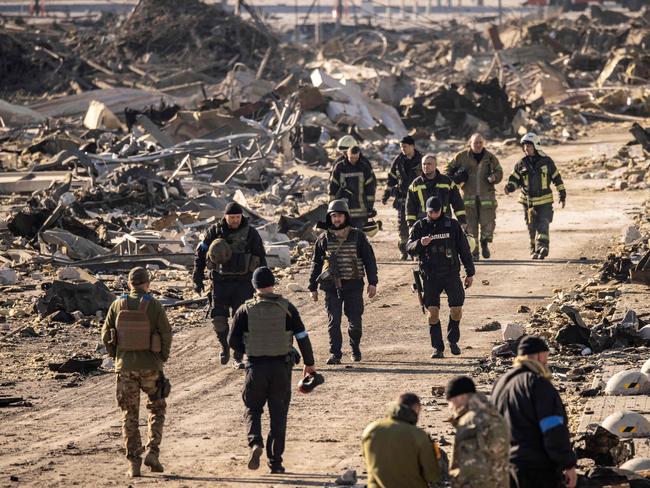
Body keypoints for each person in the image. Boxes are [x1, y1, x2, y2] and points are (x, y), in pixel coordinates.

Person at [229, 267, 317, 474]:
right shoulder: (287, 308)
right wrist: (309, 363)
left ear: (254, 286)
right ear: (273, 284)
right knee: (278, 415)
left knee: (252, 409)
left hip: (255, 368)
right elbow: (302, 336)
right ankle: (275, 462)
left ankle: (255, 442)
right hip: (281, 369)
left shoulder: (245, 309)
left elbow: (232, 340)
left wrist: (246, 351)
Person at [101, 267, 172, 478]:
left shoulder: (117, 304)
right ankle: (153, 452)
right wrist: (162, 358)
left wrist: (117, 356)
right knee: (157, 408)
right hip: (151, 367)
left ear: (130, 284)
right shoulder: (154, 305)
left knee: (129, 415)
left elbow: (106, 335)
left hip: (125, 369)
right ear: (147, 284)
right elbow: (166, 333)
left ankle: (134, 463)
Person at [491, 336, 577, 488]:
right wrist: (567, 464)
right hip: (536, 469)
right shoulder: (537, 383)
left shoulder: (501, 384)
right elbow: (552, 427)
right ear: (539, 355)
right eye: (546, 355)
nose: (547, 361)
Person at [192, 201, 267, 369]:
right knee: (218, 319)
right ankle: (224, 346)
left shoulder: (251, 233)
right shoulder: (214, 231)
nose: (235, 220)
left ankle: (238, 356)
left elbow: (260, 257)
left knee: (240, 321)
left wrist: (263, 282)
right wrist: (197, 277)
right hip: (220, 282)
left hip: (243, 283)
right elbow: (201, 253)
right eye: (232, 217)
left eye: (238, 217)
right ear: (225, 217)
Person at [308, 199, 378, 364]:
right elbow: (316, 263)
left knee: (355, 322)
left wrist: (373, 282)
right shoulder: (323, 239)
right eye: (333, 216)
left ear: (345, 216)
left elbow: (369, 260)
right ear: (329, 218)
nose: (336, 219)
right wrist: (312, 287)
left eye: (339, 216)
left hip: (353, 285)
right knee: (334, 321)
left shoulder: (357, 236)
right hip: (331, 287)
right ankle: (336, 354)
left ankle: (355, 348)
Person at [406, 196, 475, 358]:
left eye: (437, 211)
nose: (434, 214)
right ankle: (438, 348)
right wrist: (419, 244)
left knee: (456, 309)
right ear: (427, 211)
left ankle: (453, 340)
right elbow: (409, 247)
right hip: (430, 276)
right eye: (431, 212)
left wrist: (470, 272)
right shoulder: (420, 226)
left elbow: (464, 250)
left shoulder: (452, 225)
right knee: (433, 313)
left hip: (451, 273)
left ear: (442, 210)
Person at [504, 133, 566, 260]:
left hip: (544, 200)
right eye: (524, 146)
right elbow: (514, 179)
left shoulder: (547, 162)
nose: (526, 149)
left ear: (536, 146)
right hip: (527, 201)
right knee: (531, 227)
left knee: (543, 224)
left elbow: (557, 178)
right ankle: (533, 250)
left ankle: (543, 247)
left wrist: (562, 193)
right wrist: (510, 186)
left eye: (529, 146)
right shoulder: (521, 163)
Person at [362, 392, 441, 488]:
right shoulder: (418, 435)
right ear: (417, 408)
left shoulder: (371, 429)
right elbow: (432, 475)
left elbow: (368, 463)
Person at [445, 133, 503, 261]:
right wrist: (455, 178)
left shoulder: (490, 157)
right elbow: (447, 170)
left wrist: (495, 177)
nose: (478, 145)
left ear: (484, 143)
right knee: (470, 227)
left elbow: (499, 171)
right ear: (470, 143)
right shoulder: (461, 156)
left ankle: (484, 242)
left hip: (487, 197)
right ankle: (474, 253)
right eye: (475, 142)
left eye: (480, 142)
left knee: (488, 224)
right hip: (467, 198)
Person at [446, 376, 510, 488]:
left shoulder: (471, 421)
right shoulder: (492, 413)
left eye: (450, 401)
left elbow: (469, 466)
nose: (450, 407)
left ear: (461, 397)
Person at [382, 135, 423, 260]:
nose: (403, 149)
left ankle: (417, 251)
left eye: (405, 146)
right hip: (402, 199)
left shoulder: (422, 160)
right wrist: (386, 194)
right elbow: (391, 178)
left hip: (419, 199)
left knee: (418, 224)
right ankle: (404, 250)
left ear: (412, 146)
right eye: (401, 147)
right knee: (402, 226)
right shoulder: (398, 160)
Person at [405, 153, 466, 229]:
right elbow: (410, 206)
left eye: (429, 164)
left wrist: (462, 221)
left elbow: (457, 202)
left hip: (444, 223)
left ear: (435, 165)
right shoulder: (416, 184)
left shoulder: (446, 182)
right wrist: (411, 225)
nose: (425, 166)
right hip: (424, 224)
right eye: (423, 164)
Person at [329, 145, 377, 230]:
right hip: (343, 209)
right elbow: (333, 187)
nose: (353, 160)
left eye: (356, 158)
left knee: (359, 235)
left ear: (359, 155)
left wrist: (369, 207)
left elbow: (370, 188)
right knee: (344, 235)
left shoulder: (364, 167)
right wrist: (332, 205)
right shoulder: (339, 167)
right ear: (347, 155)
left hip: (361, 210)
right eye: (351, 158)